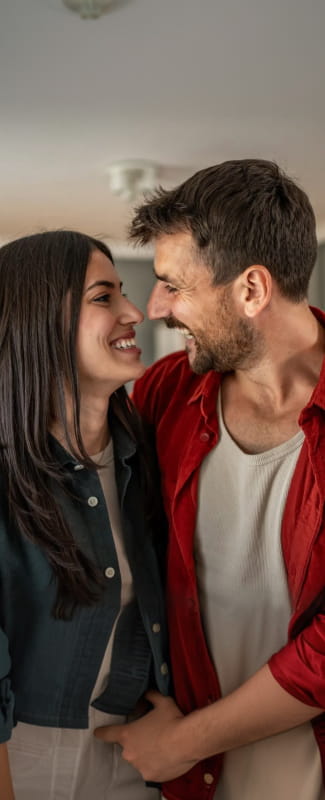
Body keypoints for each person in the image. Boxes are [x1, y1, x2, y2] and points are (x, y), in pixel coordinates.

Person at [94, 160, 325, 800]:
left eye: (174, 285)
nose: (156, 307)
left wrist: (184, 742)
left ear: (251, 289)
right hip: (196, 784)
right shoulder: (168, 393)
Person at [0, 230, 170, 800]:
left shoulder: (145, 457)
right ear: (39, 320)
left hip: (129, 753)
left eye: (123, 292)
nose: (134, 312)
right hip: (19, 757)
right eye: (104, 297)